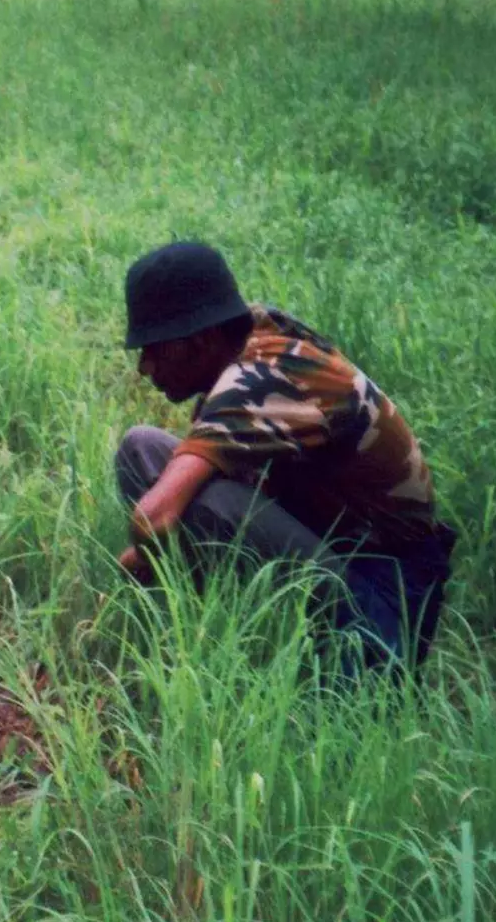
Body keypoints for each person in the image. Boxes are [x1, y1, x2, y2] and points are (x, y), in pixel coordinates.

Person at [114, 240, 456, 668]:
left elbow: (154, 518)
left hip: (383, 593)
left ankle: (323, 663)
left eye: (156, 349)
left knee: (210, 505)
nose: (145, 367)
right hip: (328, 542)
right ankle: (202, 637)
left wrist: (132, 567)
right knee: (141, 449)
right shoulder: (241, 341)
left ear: (201, 341)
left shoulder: (264, 377)